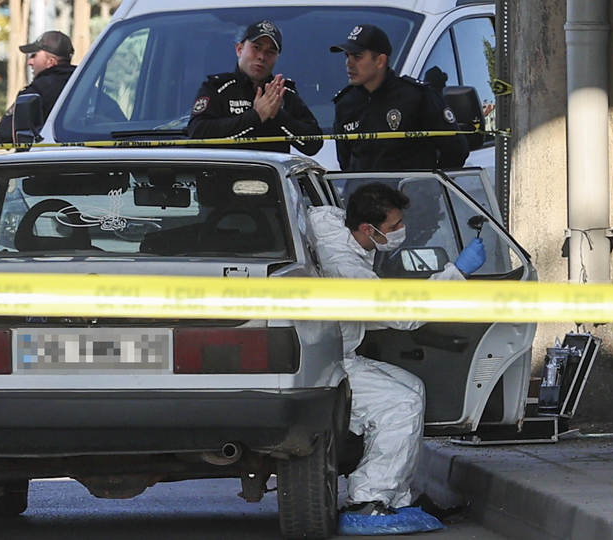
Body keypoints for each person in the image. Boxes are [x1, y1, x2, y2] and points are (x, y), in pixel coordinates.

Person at [306, 183, 484, 531]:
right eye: (393, 227)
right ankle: (368, 500)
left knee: (411, 388)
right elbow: (402, 314)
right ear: (366, 229)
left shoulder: (328, 223)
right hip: (327, 363)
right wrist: (456, 274)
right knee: (399, 404)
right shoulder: (345, 269)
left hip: (335, 353)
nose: (401, 231)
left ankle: (397, 497)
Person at [330, 24, 469, 171]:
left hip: (407, 192)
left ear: (380, 61)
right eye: (347, 56)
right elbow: (345, 162)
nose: (348, 63)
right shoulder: (345, 104)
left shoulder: (416, 96)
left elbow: (456, 149)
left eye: (357, 56)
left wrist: (430, 186)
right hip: (361, 192)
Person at [188, 21, 322, 155]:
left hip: (273, 174)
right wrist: (255, 117)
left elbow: (313, 145)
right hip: (226, 173)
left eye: (270, 52)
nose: (262, 57)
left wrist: (278, 116)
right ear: (239, 49)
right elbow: (197, 134)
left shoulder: (282, 91)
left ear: (277, 58)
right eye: (256, 47)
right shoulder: (217, 88)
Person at [0, 30, 76, 144]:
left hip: (42, 158)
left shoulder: (37, 92)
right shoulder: (84, 87)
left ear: (51, 62)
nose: (30, 62)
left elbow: (3, 134)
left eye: (34, 56)